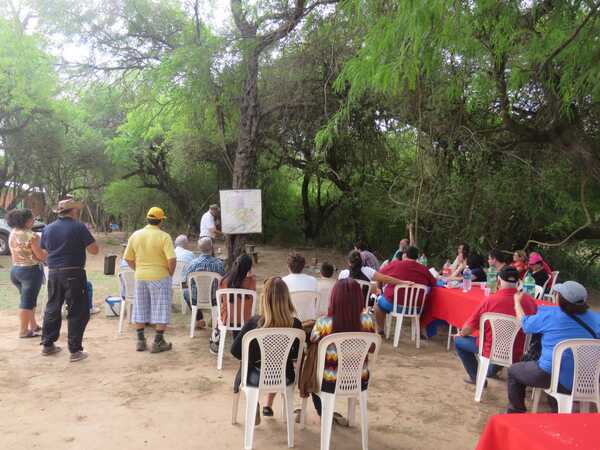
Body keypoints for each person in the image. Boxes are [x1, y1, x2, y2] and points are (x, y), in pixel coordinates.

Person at [508, 281, 600, 413]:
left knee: (513, 371)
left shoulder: (550, 317)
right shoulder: (597, 319)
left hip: (551, 376)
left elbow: (525, 325)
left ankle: (516, 412)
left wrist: (517, 302)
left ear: (560, 299)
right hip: (587, 379)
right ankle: (558, 408)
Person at [231, 277, 303, 420]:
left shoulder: (254, 323)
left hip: (255, 376)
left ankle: (254, 402)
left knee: (247, 362)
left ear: (265, 298)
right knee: (279, 363)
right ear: (286, 298)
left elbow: (236, 351)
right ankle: (266, 405)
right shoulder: (295, 325)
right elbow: (296, 355)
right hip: (284, 375)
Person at [454, 266, 538, 384]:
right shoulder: (530, 301)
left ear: (498, 281)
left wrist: (461, 333)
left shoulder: (489, 301)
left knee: (458, 341)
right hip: (518, 350)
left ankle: (477, 379)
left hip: (491, 349)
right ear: (519, 282)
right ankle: (492, 370)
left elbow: (468, 329)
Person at [40, 198, 99, 362]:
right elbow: (94, 250)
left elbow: (43, 251)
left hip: (53, 272)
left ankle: (48, 345)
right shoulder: (79, 227)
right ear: (74, 211)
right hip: (73, 272)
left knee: (52, 307)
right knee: (77, 310)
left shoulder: (48, 228)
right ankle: (75, 350)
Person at [309, 278, 376, 420]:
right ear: (359, 298)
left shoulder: (324, 322)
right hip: (358, 378)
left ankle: (323, 413)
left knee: (310, 377)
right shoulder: (368, 321)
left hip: (329, 380)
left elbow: (312, 340)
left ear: (334, 298)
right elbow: (371, 348)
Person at [124, 207, 176, 353]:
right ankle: (158, 342)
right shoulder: (164, 236)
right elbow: (171, 259)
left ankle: (140, 341)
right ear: (161, 221)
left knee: (140, 307)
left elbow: (127, 258)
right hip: (160, 275)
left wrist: (138, 269)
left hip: (140, 276)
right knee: (161, 308)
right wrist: (169, 273)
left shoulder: (135, 235)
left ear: (147, 219)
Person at [374, 246, 436, 334]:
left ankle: (380, 329)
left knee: (378, 305)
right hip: (416, 308)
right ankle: (421, 329)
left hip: (392, 304)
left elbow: (379, 275)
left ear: (405, 255)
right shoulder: (424, 269)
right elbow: (434, 284)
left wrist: (379, 289)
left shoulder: (396, 264)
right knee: (429, 302)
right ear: (417, 257)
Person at [7, 208, 47, 338]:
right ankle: (23, 331)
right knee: (27, 302)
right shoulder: (32, 236)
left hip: (15, 270)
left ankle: (33, 326)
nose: (34, 220)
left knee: (28, 300)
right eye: (32, 218)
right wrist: (48, 251)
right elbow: (41, 256)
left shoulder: (13, 232)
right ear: (26, 221)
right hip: (30, 272)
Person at [182, 237, 225, 333]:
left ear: (199, 248)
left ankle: (199, 319)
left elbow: (186, 282)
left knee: (185, 292)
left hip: (196, 298)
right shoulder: (220, 264)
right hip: (215, 299)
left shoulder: (192, 264)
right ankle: (217, 318)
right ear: (212, 247)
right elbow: (224, 281)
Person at [216, 253, 257, 354]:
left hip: (227, 318)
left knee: (232, 312)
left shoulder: (224, 280)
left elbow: (222, 301)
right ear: (249, 268)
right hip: (246, 320)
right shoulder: (251, 281)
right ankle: (242, 347)